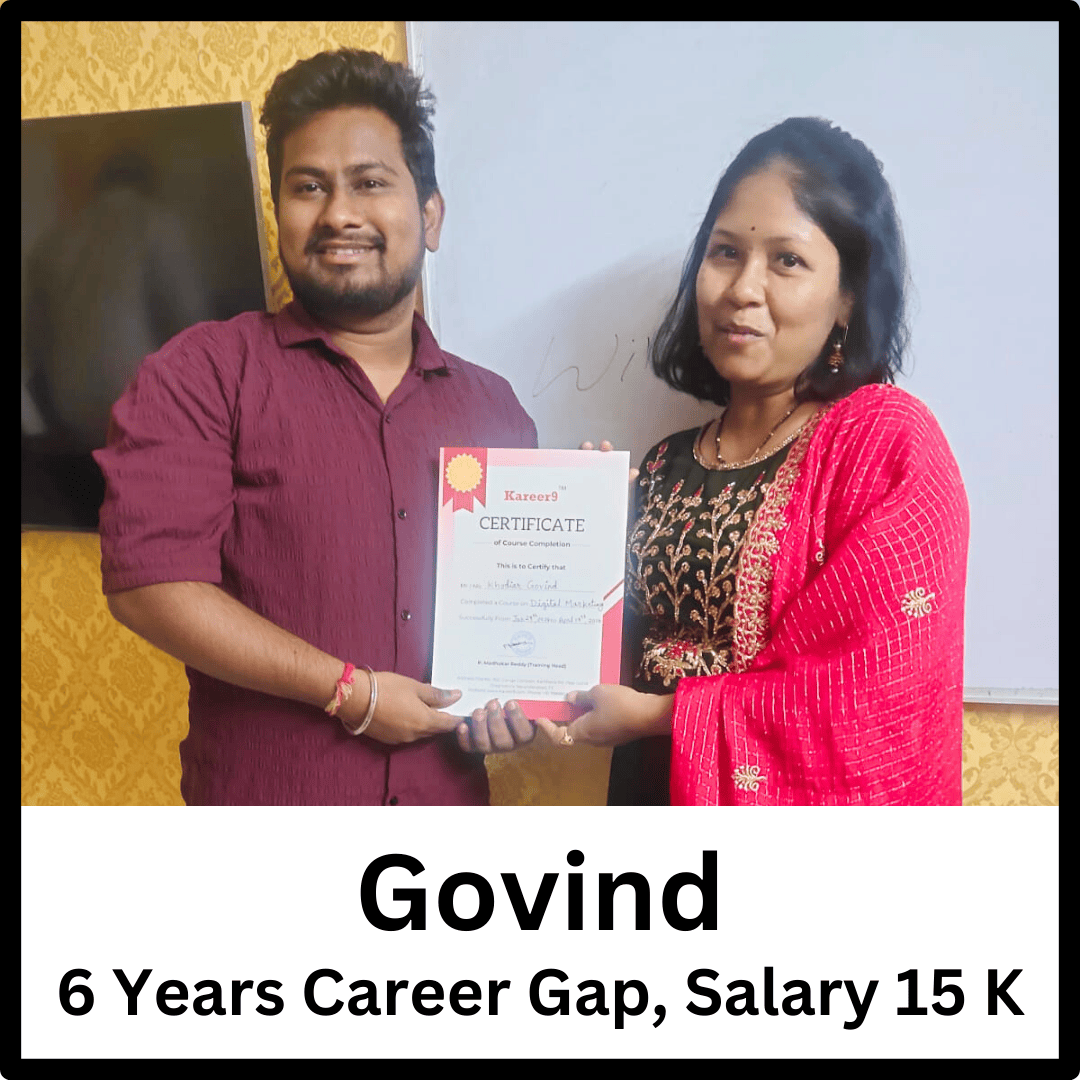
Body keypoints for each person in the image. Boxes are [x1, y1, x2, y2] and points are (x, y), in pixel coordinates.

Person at [95, 49, 539, 805]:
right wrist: (350, 692)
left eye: (371, 182)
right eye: (309, 187)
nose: (339, 214)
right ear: (282, 215)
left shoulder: (496, 410)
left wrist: (516, 701)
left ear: (430, 215)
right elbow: (152, 584)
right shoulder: (204, 373)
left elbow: (515, 628)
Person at [534, 117, 968, 805]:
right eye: (726, 252)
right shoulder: (663, 464)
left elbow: (870, 696)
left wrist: (658, 716)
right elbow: (610, 663)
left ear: (848, 298)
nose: (742, 287)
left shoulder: (883, 447)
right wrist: (575, 545)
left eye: (787, 261)